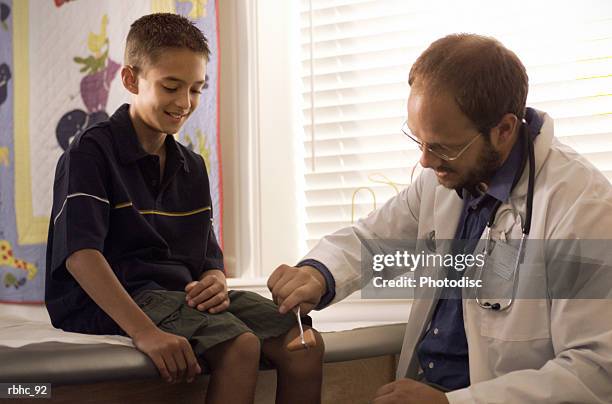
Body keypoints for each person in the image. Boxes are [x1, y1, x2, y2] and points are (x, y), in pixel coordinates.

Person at [268, 33, 612, 403]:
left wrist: (451, 403)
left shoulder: (582, 208)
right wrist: (318, 274)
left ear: (504, 129)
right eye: (419, 141)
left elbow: (594, 372)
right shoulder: (446, 177)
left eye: (443, 146)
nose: (426, 162)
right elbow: (377, 240)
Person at [45, 13, 323, 404]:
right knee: (240, 346)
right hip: (118, 296)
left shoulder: (192, 166)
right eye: (171, 86)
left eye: (195, 89)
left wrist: (214, 279)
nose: (184, 103)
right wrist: (146, 332)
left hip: (177, 296)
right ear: (130, 79)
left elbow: (207, 257)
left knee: (304, 343)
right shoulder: (92, 152)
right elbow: (80, 256)